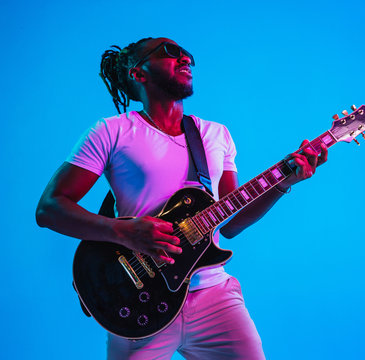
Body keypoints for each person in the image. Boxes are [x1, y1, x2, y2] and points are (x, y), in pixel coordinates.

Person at [36, 37, 327, 359]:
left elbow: (229, 222)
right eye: (169, 52)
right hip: (138, 298)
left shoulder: (216, 134)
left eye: (187, 53)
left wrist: (285, 181)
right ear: (138, 73)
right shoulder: (112, 131)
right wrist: (124, 232)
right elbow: (50, 208)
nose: (185, 58)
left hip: (214, 295)